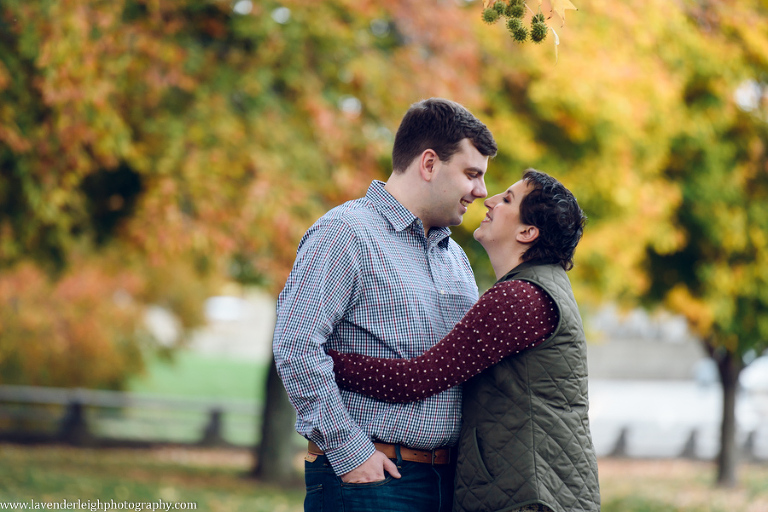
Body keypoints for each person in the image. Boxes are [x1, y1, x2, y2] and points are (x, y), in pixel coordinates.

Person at [328, 169, 601, 512]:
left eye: (507, 199)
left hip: (528, 497)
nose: (488, 200)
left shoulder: (520, 298)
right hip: (537, 490)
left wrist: (325, 360)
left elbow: (418, 379)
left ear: (527, 231)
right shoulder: (537, 288)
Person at [272, 98, 498, 512]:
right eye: (472, 174)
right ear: (429, 164)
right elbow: (297, 346)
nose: (482, 192)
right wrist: (350, 451)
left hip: (449, 484)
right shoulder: (345, 233)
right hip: (373, 483)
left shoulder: (456, 258)